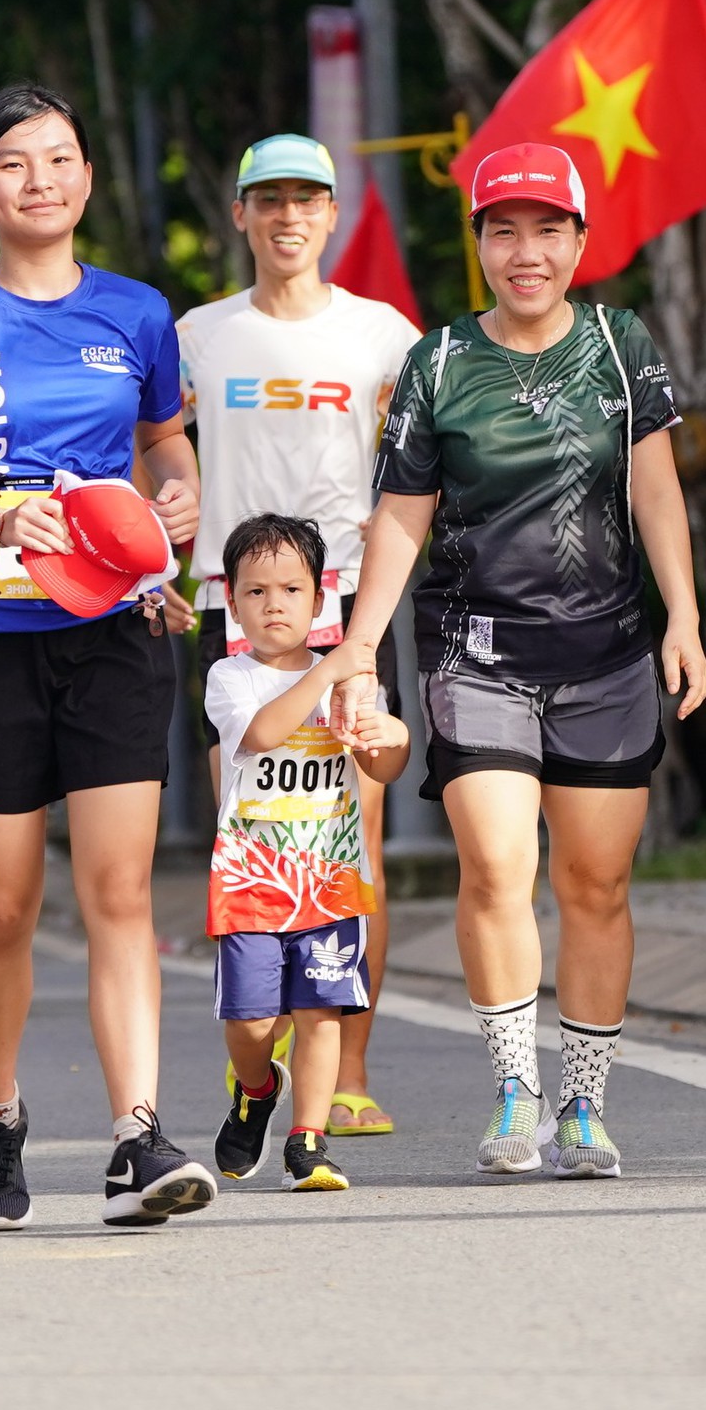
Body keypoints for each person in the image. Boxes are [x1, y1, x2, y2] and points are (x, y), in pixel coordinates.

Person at [0, 83, 215, 1232]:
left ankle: (139, 1131)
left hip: (114, 630)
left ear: (86, 177)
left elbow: (165, 440)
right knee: (3, 905)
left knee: (119, 890)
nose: (41, 179)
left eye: (59, 158)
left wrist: (181, 497)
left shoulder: (138, 313)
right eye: (14, 164)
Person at [327, 142, 706, 1180]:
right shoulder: (439, 363)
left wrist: (683, 616)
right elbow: (401, 514)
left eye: (547, 229)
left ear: (580, 240)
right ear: (480, 244)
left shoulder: (623, 345)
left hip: (609, 652)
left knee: (596, 881)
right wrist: (359, 645)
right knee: (497, 864)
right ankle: (513, 1086)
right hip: (474, 652)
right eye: (503, 230)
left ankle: (582, 1104)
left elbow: (658, 492)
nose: (524, 251)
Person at [178, 132, 423, 1138]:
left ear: (332, 215)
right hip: (226, 616)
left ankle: (349, 1066)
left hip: (347, 614)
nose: (287, 217)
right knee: (251, 834)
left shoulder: (383, 334)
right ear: (240, 215)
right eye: (267, 199)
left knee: (352, 845)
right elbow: (157, 456)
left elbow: (420, 468)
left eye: (307, 200)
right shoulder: (195, 333)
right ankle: (260, 1040)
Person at [204, 514, 411, 1192]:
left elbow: (382, 769)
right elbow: (263, 733)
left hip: (328, 880)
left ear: (319, 600)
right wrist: (329, 675)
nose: (274, 605)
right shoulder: (230, 678)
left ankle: (308, 1141)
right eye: (256, 591)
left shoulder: (345, 678)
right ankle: (258, 1089)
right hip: (251, 882)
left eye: (291, 590)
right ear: (232, 602)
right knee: (253, 1022)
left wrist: (391, 732)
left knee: (320, 1014)